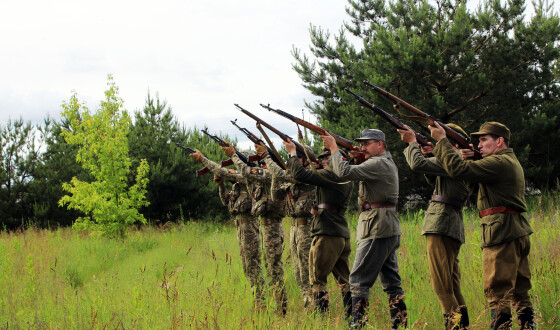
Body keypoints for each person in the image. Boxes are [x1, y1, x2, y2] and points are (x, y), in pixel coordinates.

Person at [428, 121, 534, 329]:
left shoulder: (499, 162)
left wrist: (441, 141)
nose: (479, 145)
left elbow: (457, 170)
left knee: (498, 294)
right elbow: (472, 182)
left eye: (484, 140)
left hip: (501, 233)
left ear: (500, 141)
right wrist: (469, 160)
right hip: (515, 230)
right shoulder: (507, 162)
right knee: (520, 293)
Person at [321, 129, 407, 328]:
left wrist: (334, 147)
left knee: (358, 280)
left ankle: (357, 325)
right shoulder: (381, 162)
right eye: (362, 144)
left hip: (377, 226)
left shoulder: (378, 163)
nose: (363, 147)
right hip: (385, 225)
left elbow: (343, 172)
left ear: (380, 145)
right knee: (392, 282)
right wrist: (359, 158)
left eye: (367, 144)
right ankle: (400, 325)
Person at [398, 124, 470, 329]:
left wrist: (412, 142)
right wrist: (430, 152)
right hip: (450, 225)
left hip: (440, 223)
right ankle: (463, 326)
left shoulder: (455, 159)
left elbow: (417, 164)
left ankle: (454, 326)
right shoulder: (459, 161)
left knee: (442, 287)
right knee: (453, 287)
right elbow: (433, 175)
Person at [284, 140, 353, 316]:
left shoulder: (331, 174)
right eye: (322, 158)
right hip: (339, 232)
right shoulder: (344, 176)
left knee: (317, 279)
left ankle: (322, 320)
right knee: (344, 280)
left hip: (327, 233)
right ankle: (355, 319)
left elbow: (300, 175)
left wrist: (292, 153)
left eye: (327, 157)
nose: (323, 160)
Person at [189, 150, 265, 308]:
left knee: (253, 265)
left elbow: (225, 171)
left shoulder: (251, 176)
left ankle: (261, 303)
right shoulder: (238, 184)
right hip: (240, 226)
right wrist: (221, 184)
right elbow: (226, 201)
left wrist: (204, 159)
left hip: (249, 225)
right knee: (246, 265)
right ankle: (258, 301)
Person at [220, 142, 288, 315]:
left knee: (272, 268)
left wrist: (232, 156)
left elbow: (243, 172)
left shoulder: (261, 177)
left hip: (268, 227)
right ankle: (268, 305)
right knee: (259, 266)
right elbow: (226, 195)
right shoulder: (247, 182)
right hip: (262, 227)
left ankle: (280, 308)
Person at [254, 142, 316, 307]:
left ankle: (315, 307)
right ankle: (308, 305)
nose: (292, 162)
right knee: (297, 271)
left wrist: (268, 157)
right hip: (295, 229)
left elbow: (280, 173)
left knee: (307, 270)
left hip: (306, 228)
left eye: (296, 158)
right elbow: (275, 194)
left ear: (305, 161)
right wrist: (275, 174)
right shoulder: (293, 179)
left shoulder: (308, 175)